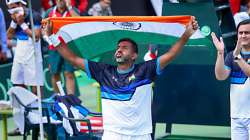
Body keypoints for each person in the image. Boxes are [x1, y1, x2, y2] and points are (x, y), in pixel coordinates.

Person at [42, 17, 198, 140]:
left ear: (134, 55)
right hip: (112, 135)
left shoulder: (145, 70)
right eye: (118, 47)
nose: (119, 50)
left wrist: (186, 35)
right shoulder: (103, 71)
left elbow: (170, 55)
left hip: (141, 135)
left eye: (124, 48)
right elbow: (73, 59)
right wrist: (52, 37)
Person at [6, 0, 44, 136]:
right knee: (17, 87)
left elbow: (37, 37)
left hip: (33, 55)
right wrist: (15, 22)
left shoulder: (35, 16)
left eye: (13, 8)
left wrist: (22, 23)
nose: (11, 11)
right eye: (9, 9)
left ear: (21, 5)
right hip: (19, 55)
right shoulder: (14, 19)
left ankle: (39, 123)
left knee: (36, 89)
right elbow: (8, 35)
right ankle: (21, 125)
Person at [211, 19, 250, 140]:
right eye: (240, 32)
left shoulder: (235, 56)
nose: (243, 35)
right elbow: (220, 76)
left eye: (247, 32)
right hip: (236, 116)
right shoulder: (231, 56)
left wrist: (238, 57)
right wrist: (220, 53)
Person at [44, 0, 79, 95]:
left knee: (69, 73)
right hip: (54, 48)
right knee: (55, 74)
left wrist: (70, 7)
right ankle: (58, 97)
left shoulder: (72, 11)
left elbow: (79, 22)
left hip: (69, 47)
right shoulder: (49, 12)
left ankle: (71, 100)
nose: (60, 0)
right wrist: (49, 39)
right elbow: (43, 29)